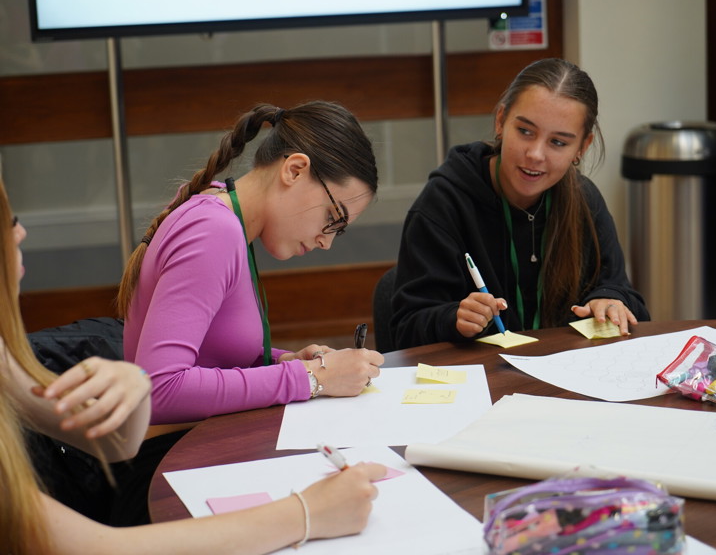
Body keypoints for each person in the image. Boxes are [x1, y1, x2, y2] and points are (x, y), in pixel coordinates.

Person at [1, 177, 385, 554]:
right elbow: (100, 546)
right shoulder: (215, 225)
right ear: (294, 171)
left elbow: (120, 439)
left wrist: (135, 383)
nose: (19, 233)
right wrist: (306, 512)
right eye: (6, 222)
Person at [117, 101, 384, 426]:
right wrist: (310, 377)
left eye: (338, 231)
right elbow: (159, 389)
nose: (325, 242)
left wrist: (283, 361)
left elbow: (211, 352)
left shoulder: (222, 213)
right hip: (172, 456)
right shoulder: (214, 231)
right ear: (294, 170)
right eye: (332, 217)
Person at [391, 58, 649, 349]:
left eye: (559, 143)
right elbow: (406, 330)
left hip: (561, 382)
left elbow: (624, 295)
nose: (536, 154)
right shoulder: (444, 202)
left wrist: (611, 300)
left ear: (582, 147)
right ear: (501, 121)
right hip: (479, 385)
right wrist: (454, 318)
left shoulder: (584, 200)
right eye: (525, 131)